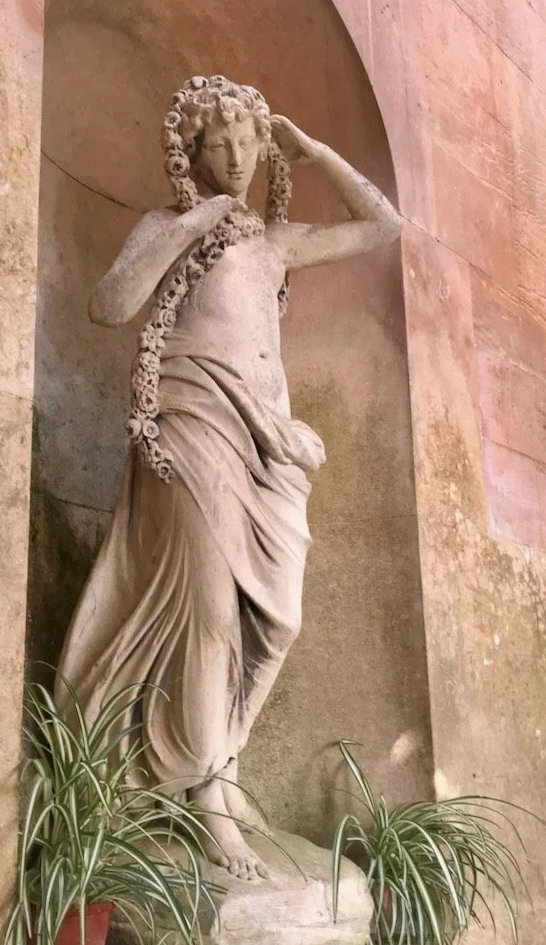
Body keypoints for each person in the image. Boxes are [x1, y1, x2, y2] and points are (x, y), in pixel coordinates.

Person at [55, 75, 401, 879]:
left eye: (250, 140)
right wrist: (188, 228)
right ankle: (211, 801)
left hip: (269, 447)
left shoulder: (274, 243)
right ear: (192, 153)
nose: (239, 156)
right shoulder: (170, 222)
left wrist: (313, 152)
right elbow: (111, 305)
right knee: (210, 608)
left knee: (275, 624)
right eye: (221, 142)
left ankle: (214, 763)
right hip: (192, 422)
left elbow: (382, 226)